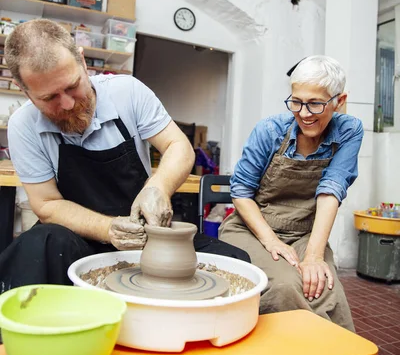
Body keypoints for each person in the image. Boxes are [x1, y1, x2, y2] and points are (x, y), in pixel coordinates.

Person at [0, 19, 249, 292]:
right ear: (25, 90)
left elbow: (179, 146)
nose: (68, 104)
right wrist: (109, 229)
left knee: (235, 261)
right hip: (77, 237)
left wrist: (158, 187)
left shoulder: (127, 92)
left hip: (145, 234)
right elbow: (47, 204)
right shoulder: (23, 125)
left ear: (82, 62)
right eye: (50, 98)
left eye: (72, 86)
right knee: (37, 247)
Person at [219, 55, 363, 331]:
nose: (304, 113)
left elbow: (332, 189)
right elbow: (240, 192)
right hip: (252, 229)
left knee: (324, 287)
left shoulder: (349, 131)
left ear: (339, 100)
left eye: (315, 104)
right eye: (296, 101)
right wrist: (272, 241)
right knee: (285, 287)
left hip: (304, 232)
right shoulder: (270, 131)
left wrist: (314, 256)